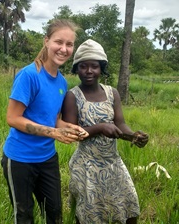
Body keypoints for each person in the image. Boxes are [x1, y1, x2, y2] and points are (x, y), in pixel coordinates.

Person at [1, 19, 88, 224]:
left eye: (69, 44)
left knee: (55, 212)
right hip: (19, 159)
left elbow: (54, 119)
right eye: (59, 42)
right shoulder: (29, 75)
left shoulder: (61, 81)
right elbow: (12, 118)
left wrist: (71, 128)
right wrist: (53, 133)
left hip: (47, 158)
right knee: (23, 215)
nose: (64, 49)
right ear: (46, 41)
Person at [61, 39, 149, 224]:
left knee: (129, 205)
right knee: (90, 213)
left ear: (102, 68)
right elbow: (71, 132)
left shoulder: (112, 93)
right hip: (87, 165)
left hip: (112, 161)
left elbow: (120, 124)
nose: (89, 71)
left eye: (94, 66)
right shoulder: (72, 96)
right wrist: (100, 127)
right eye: (83, 66)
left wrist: (133, 136)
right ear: (76, 69)